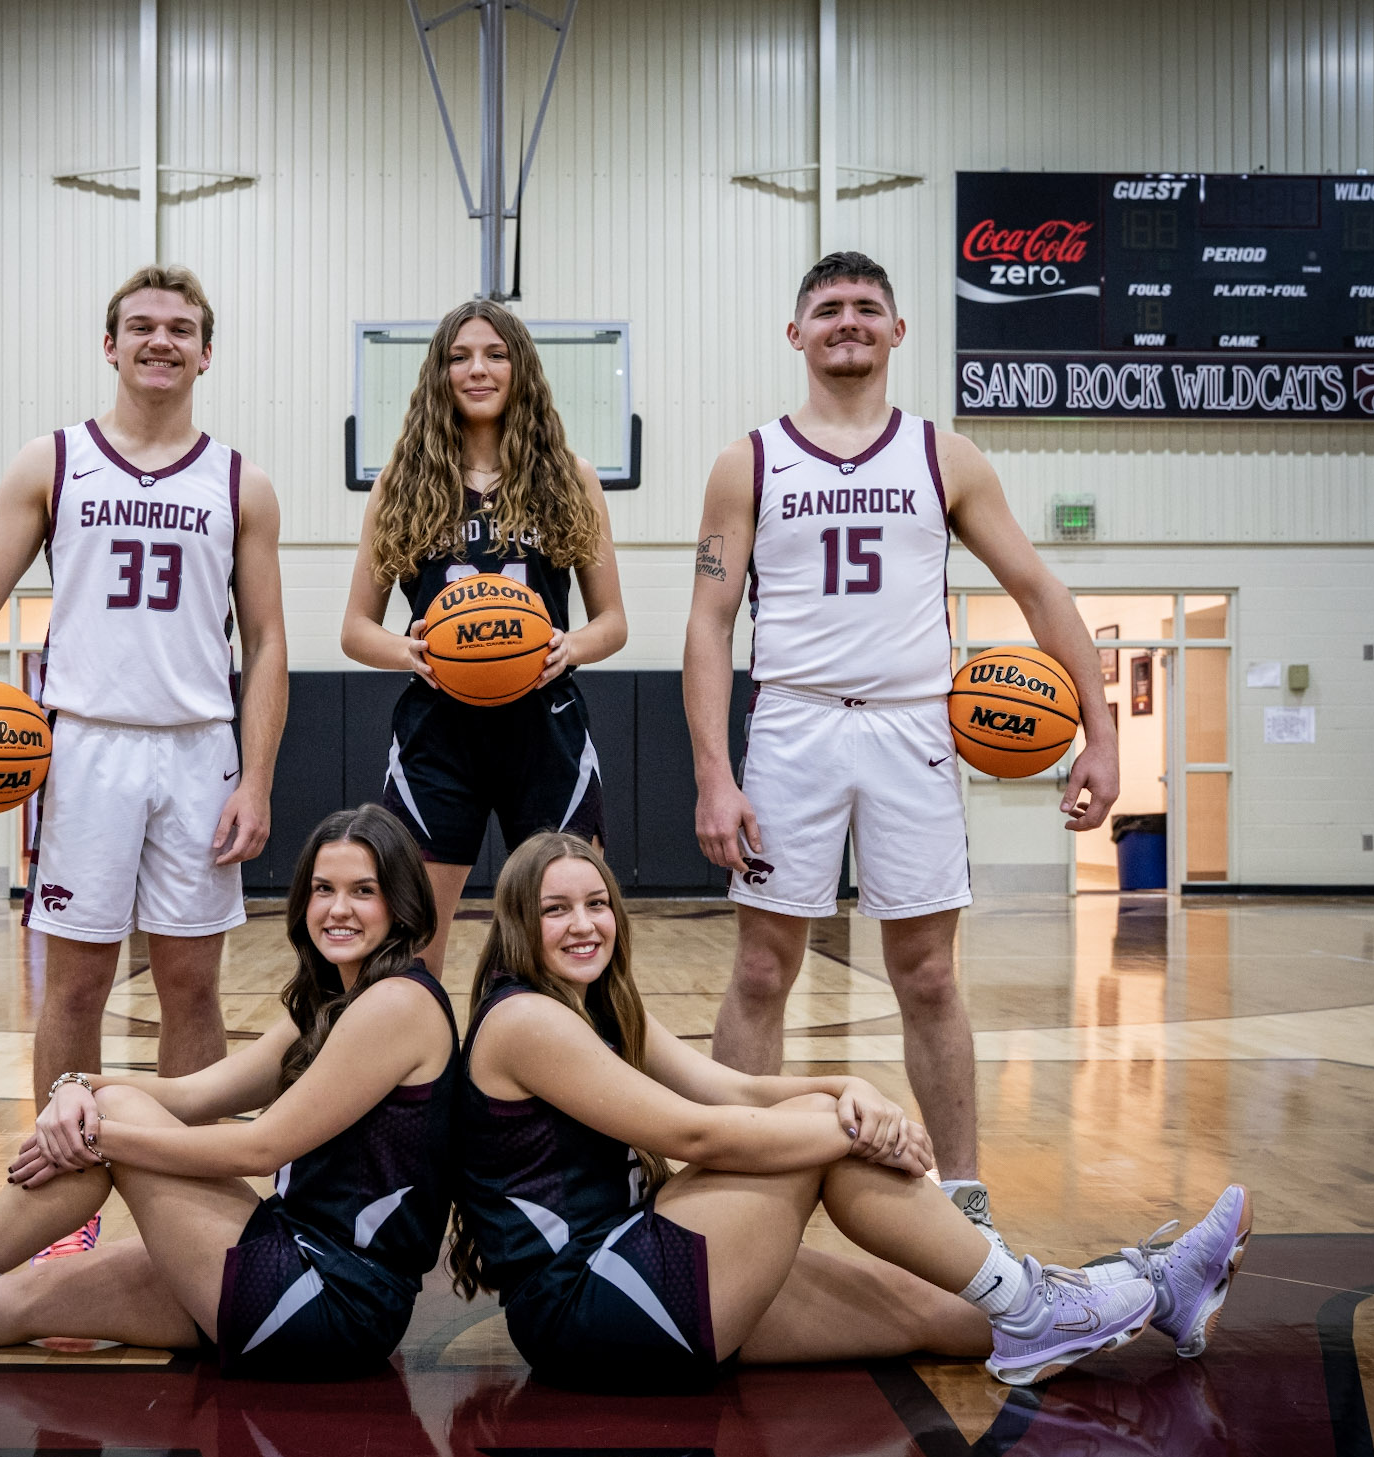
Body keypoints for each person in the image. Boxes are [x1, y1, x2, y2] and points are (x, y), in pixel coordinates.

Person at [449, 832, 1251, 1391]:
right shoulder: (526, 1021)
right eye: (556, 909)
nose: (583, 925)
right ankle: (1037, 1307)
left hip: (636, 1276)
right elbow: (696, 1132)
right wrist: (848, 1130)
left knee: (941, 1312)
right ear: (519, 922)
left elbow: (735, 1090)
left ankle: (1152, 1287)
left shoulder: (601, 1004)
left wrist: (848, 1087)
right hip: (591, 1306)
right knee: (817, 1142)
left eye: (596, 903)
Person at [683, 250, 1121, 1240]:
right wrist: (714, 772)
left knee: (927, 974)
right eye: (828, 308)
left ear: (896, 330)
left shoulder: (944, 457)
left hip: (912, 726)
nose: (847, 321)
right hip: (791, 723)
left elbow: (1039, 590)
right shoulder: (747, 462)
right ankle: (732, 1187)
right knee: (761, 970)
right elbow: (708, 621)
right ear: (795, 333)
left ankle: (964, 1198)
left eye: (866, 307)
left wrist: (1099, 733)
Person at [0, 805, 460, 1379]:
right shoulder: (331, 1003)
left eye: (363, 891)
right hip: (286, 1262)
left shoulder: (397, 1003)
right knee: (7, 1303)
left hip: (329, 1301)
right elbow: (192, 1094)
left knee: (111, 1118)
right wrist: (75, 1085)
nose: (338, 908)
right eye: (324, 889)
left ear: (400, 904)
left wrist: (95, 1131)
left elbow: (258, 1147)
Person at [0, 264, 288, 1091]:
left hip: (199, 751)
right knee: (74, 988)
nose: (160, 341)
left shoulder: (241, 482)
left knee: (191, 987)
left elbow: (267, 639)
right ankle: (62, 1173)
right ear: (110, 345)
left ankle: (186, 1168)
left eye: (180, 330)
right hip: (86, 747)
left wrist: (258, 782)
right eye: (142, 327)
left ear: (206, 354)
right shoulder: (53, 462)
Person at [342, 299, 628, 978]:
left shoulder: (571, 476)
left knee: (564, 947)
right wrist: (409, 651)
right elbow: (355, 630)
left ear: (520, 368)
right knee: (408, 947)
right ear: (438, 374)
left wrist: (569, 647)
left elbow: (613, 622)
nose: (478, 369)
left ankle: (544, 1049)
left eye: (495, 354)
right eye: (460, 356)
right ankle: (417, 1049)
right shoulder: (401, 484)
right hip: (439, 732)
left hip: (545, 727)